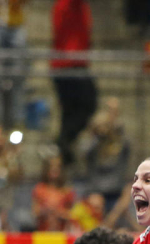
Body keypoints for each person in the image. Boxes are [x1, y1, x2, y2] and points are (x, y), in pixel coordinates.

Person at [52, 0, 96, 165]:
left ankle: (63, 151)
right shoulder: (65, 5)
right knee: (87, 105)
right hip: (67, 65)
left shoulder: (82, 6)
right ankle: (63, 142)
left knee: (70, 112)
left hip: (76, 63)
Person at [32, 156, 77, 232]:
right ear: (47, 169)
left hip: (62, 233)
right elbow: (35, 212)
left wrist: (58, 213)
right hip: (43, 232)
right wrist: (45, 211)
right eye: (51, 166)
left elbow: (73, 215)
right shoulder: (40, 189)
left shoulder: (67, 190)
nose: (54, 169)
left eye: (57, 167)